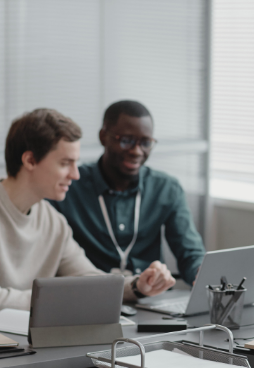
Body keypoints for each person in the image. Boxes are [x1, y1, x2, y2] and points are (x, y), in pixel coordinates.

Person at [0, 108, 175, 368]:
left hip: (34, 363)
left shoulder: (53, 221)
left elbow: (89, 280)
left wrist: (137, 286)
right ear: (30, 159)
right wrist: (49, 301)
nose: (76, 174)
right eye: (66, 163)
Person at [51, 100, 206, 285]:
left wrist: (202, 276)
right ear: (103, 136)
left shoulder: (166, 189)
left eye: (146, 142)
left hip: (151, 298)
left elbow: (190, 253)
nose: (136, 151)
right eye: (126, 141)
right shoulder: (68, 186)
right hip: (93, 298)